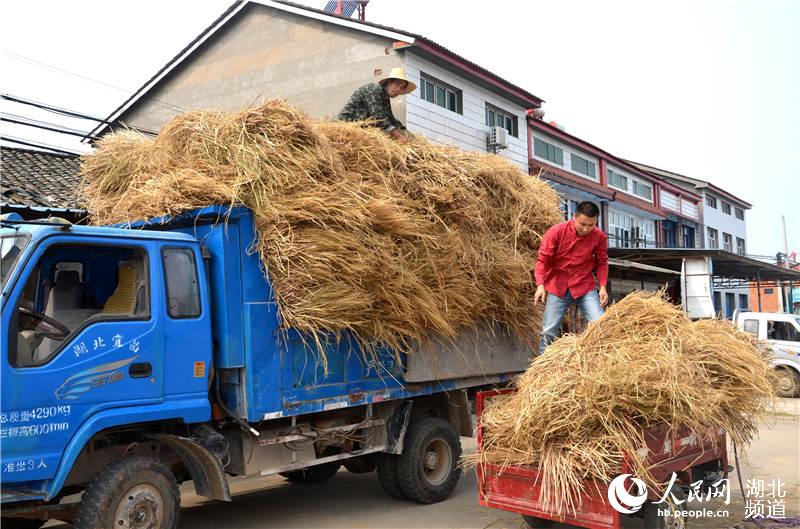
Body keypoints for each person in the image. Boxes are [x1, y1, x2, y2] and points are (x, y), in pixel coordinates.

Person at [534, 201, 609, 355]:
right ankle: (541, 368)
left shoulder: (599, 237)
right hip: (558, 286)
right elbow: (543, 260)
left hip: (584, 286)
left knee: (600, 324)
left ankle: (601, 362)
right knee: (549, 330)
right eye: (582, 224)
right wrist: (540, 285)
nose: (586, 229)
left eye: (591, 225)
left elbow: (602, 262)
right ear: (573, 216)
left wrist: (602, 286)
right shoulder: (556, 232)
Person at [337, 67, 416, 144]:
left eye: (402, 88)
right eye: (397, 84)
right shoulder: (374, 89)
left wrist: (411, 137)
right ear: (389, 82)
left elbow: (392, 120)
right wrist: (398, 136)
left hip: (358, 132)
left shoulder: (385, 99)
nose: (398, 89)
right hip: (342, 127)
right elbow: (379, 117)